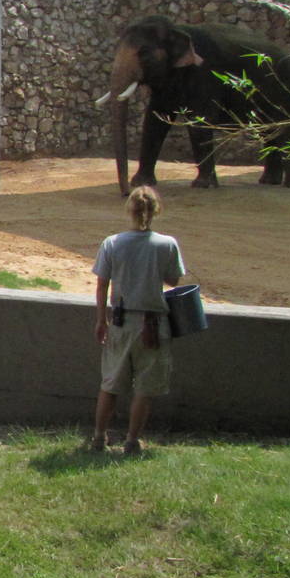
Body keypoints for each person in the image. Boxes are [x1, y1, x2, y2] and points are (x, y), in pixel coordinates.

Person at [91, 186, 187, 456]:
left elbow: (101, 285)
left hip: (120, 322)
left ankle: (99, 437)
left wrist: (101, 320)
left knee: (110, 384)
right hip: (153, 325)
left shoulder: (112, 242)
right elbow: (173, 280)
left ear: (129, 210)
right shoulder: (167, 244)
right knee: (144, 388)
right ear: (156, 211)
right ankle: (132, 441)